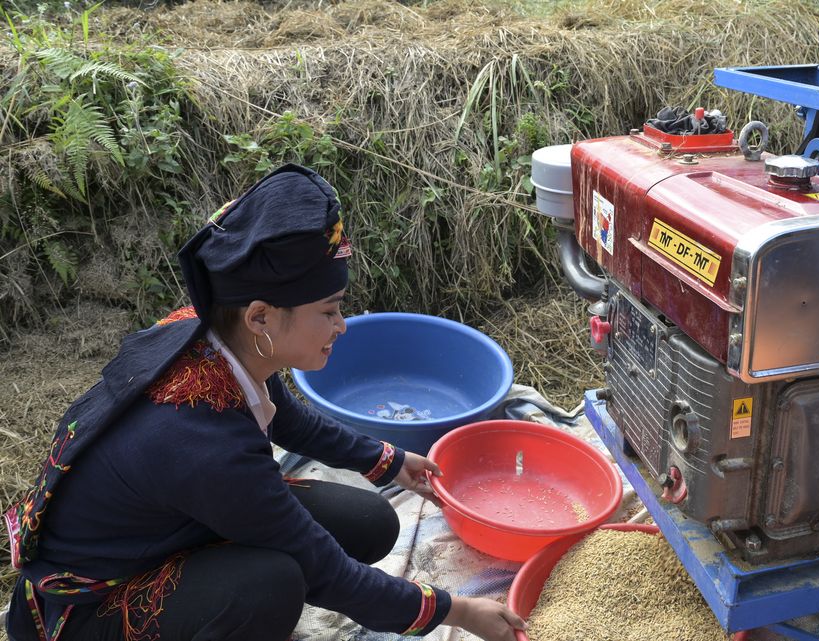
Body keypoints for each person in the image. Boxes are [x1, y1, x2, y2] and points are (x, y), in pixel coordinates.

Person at [4, 164, 528, 641]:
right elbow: (322, 568)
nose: (341, 327)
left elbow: (290, 419)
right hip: (89, 605)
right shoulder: (203, 441)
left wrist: (387, 461)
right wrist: (455, 611)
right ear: (260, 317)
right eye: (328, 312)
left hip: (168, 528)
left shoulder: (216, 336)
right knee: (272, 583)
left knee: (370, 523)